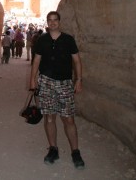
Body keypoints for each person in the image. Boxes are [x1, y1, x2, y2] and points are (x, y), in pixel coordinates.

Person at [29, 11, 85, 169]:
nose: (52, 23)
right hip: (46, 82)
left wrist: (79, 80)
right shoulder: (42, 40)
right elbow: (37, 60)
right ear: (47, 22)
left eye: (55, 20)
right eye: (50, 20)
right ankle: (53, 149)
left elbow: (77, 61)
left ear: (59, 22)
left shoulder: (68, 40)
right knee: (49, 118)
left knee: (69, 119)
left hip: (65, 83)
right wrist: (33, 79)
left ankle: (75, 151)